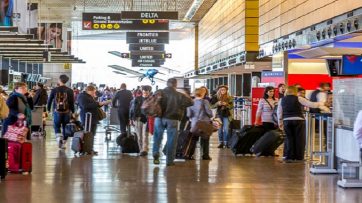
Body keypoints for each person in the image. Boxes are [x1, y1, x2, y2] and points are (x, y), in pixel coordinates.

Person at [277, 86, 329, 162]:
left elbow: (279, 112)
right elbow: (312, 104)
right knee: (299, 139)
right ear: (295, 91)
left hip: (287, 121)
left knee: (289, 139)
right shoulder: (299, 98)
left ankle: (289, 157)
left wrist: (280, 122)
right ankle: (299, 157)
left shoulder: (282, 100)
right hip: (299, 120)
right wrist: (323, 103)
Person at [153, 78, 193, 166]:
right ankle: (169, 161)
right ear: (175, 84)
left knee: (157, 137)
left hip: (159, 118)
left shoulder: (159, 92)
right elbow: (191, 102)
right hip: (173, 119)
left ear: (167, 84)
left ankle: (155, 153)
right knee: (171, 140)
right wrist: (185, 93)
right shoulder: (179, 95)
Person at [77, 85, 110, 155]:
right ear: (89, 90)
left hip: (92, 118)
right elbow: (85, 106)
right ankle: (85, 149)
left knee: (92, 134)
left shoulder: (89, 96)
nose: (94, 93)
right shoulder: (82, 96)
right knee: (87, 134)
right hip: (87, 119)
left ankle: (90, 149)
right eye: (93, 92)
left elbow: (93, 105)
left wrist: (102, 103)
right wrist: (98, 103)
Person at [47, 74, 75, 149]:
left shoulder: (54, 90)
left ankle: (59, 138)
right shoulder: (70, 90)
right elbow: (72, 102)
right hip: (67, 112)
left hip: (57, 112)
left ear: (59, 80)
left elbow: (49, 101)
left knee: (56, 126)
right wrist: (73, 112)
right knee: (66, 127)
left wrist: (48, 110)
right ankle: (63, 143)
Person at [187, 88, 213, 160]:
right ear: (202, 94)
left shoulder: (190, 102)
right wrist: (211, 116)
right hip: (204, 123)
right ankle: (205, 155)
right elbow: (209, 113)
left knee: (193, 140)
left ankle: (190, 155)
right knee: (205, 140)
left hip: (194, 123)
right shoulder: (205, 101)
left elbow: (188, 114)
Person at [130, 85, 152, 156]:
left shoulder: (151, 100)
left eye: (147, 92)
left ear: (149, 92)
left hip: (147, 120)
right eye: (144, 92)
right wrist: (131, 119)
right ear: (142, 92)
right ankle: (141, 149)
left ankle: (145, 150)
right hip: (138, 119)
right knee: (139, 136)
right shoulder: (137, 99)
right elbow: (132, 109)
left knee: (145, 135)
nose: (145, 94)